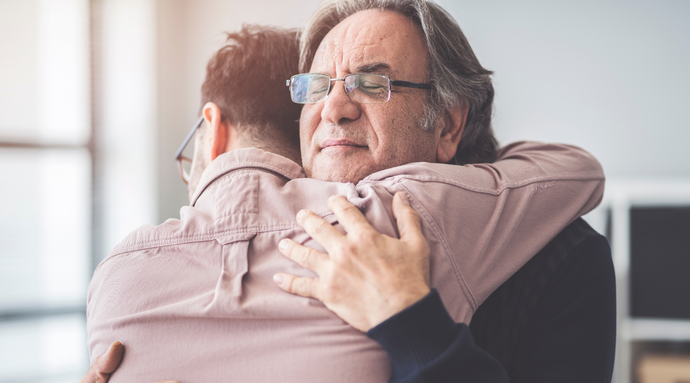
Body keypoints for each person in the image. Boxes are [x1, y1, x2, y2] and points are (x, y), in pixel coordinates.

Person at [82, 3, 612, 381]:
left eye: (372, 83)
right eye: (316, 87)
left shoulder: (562, 255)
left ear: (448, 127)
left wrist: (410, 321)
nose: (334, 107)